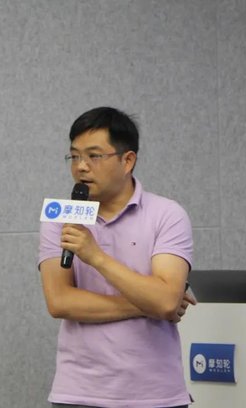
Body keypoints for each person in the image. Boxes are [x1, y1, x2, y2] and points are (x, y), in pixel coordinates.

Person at [38, 106, 196, 408]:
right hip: (78, 393)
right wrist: (148, 305)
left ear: (128, 160)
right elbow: (60, 302)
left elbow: (165, 301)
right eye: (74, 156)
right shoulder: (60, 216)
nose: (81, 167)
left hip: (156, 395)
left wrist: (95, 256)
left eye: (94, 156)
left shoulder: (167, 215)